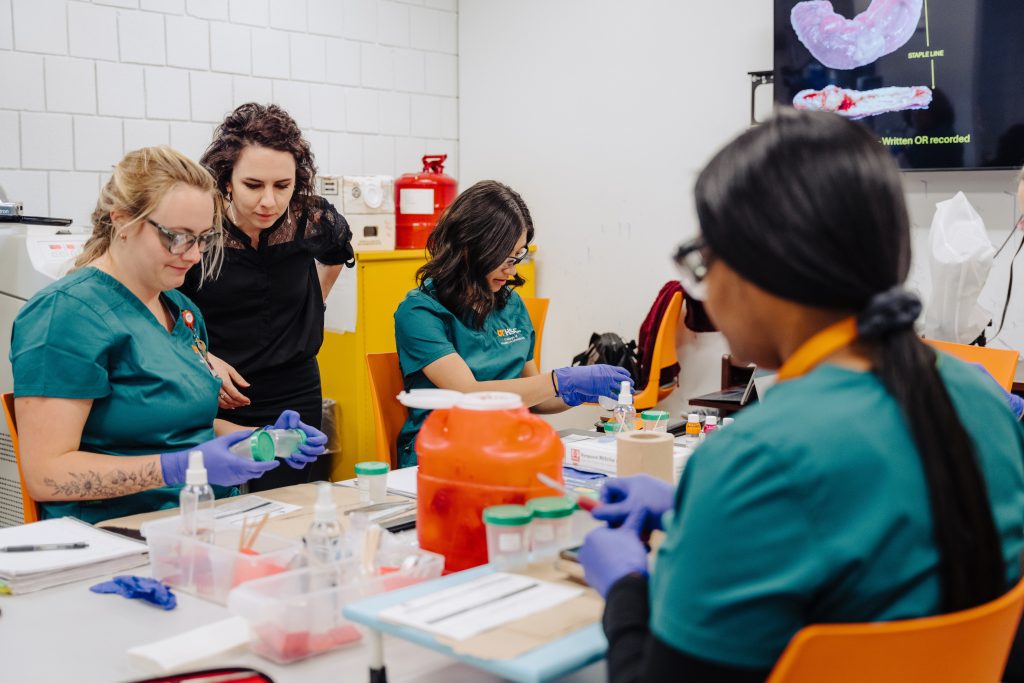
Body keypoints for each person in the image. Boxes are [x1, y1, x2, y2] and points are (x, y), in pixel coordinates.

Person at [578, 110, 1024, 682]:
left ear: (762, 269)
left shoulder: (757, 457)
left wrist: (625, 587)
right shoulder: (979, 398)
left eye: (705, 260)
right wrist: (695, 510)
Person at [9, 147, 326, 524]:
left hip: (201, 519)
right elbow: (47, 475)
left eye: (204, 239)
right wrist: (180, 467)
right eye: (178, 237)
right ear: (123, 222)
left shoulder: (180, 309)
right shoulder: (65, 315)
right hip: (112, 534)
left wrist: (259, 439)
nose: (193, 256)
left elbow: (182, 428)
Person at [393, 180, 633, 467]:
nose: (513, 270)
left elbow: (535, 399)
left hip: (505, 446)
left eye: (518, 256)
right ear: (469, 248)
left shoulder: (510, 304)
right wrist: (559, 379)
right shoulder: (419, 312)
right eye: (505, 258)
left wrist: (579, 389)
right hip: (443, 455)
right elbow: (468, 394)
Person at [179, 103, 353, 490]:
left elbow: (336, 254)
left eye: (283, 186)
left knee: (289, 505)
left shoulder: (310, 220)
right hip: (222, 394)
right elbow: (163, 307)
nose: (269, 202)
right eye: (253, 185)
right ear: (226, 179)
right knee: (223, 507)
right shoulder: (201, 232)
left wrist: (314, 307)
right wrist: (201, 356)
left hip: (296, 390)